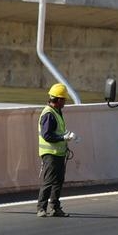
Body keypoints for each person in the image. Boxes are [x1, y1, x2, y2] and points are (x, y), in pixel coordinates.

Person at [36, 83, 76, 217]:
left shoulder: (57, 112)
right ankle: (41, 208)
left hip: (59, 153)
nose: (65, 102)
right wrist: (62, 137)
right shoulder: (49, 114)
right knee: (49, 181)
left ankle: (55, 208)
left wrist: (66, 136)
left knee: (58, 181)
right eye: (64, 100)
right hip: (50, 154)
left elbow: (57, 132)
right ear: (58, 100)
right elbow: (47, 135)